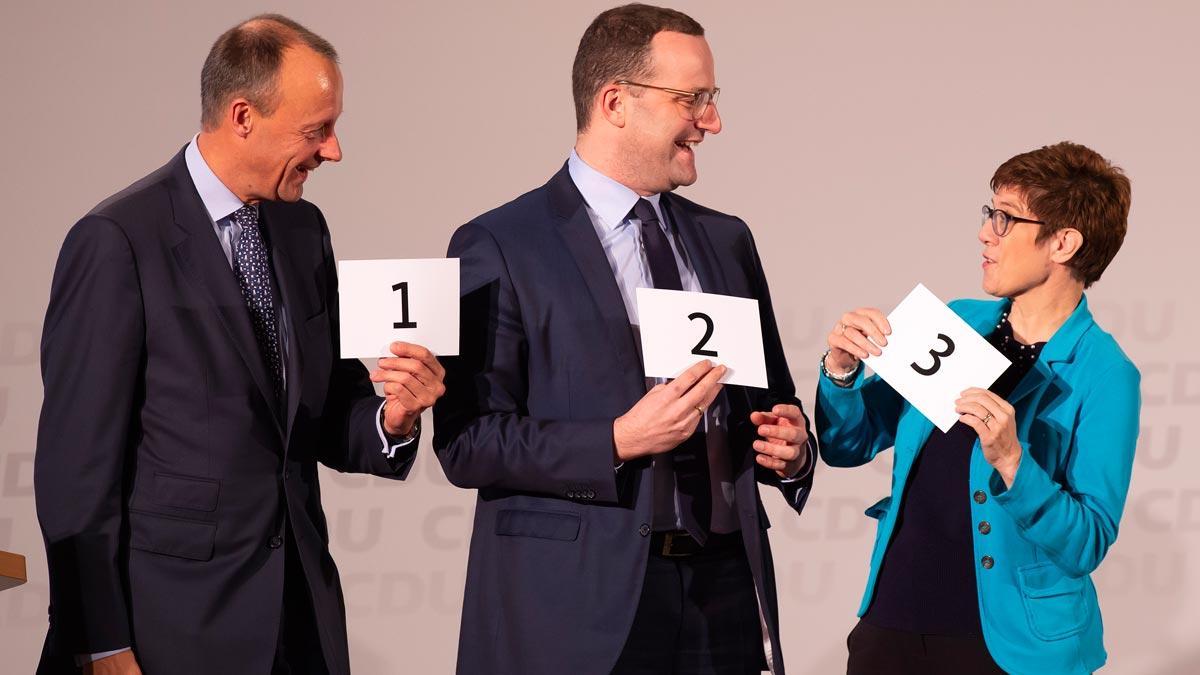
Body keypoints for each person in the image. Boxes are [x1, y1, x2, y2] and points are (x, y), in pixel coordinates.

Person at [34, 15, 444, 675]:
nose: (332, 152)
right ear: (243, 115)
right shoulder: (117, 241)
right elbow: (76, 474)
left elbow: (323, 412)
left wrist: (390, 416)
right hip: (168, 632)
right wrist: (102, 641)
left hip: (297, 623)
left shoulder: (303, 229)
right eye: (316, 131)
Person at [433, 4, 814, 674]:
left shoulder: (727, 239)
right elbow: (468, 442)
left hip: (722, 590)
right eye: (692, 99)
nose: (713, 121)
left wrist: (794, 447)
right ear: (616, 101)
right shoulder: (498, 243)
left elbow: (773, 397)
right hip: (578, 606)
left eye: (711, 99)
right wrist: (617, 440)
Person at [816, 141, 1139, 675]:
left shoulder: (1106, 373)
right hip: (891, 626)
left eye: (1005, 219)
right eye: (989, 213)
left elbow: (1086, 543)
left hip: (1009, 650)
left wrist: (1014, 462)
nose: (985, 232)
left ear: (1063, 242)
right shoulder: (958, 321)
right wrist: (843, 369)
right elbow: (846, 444)